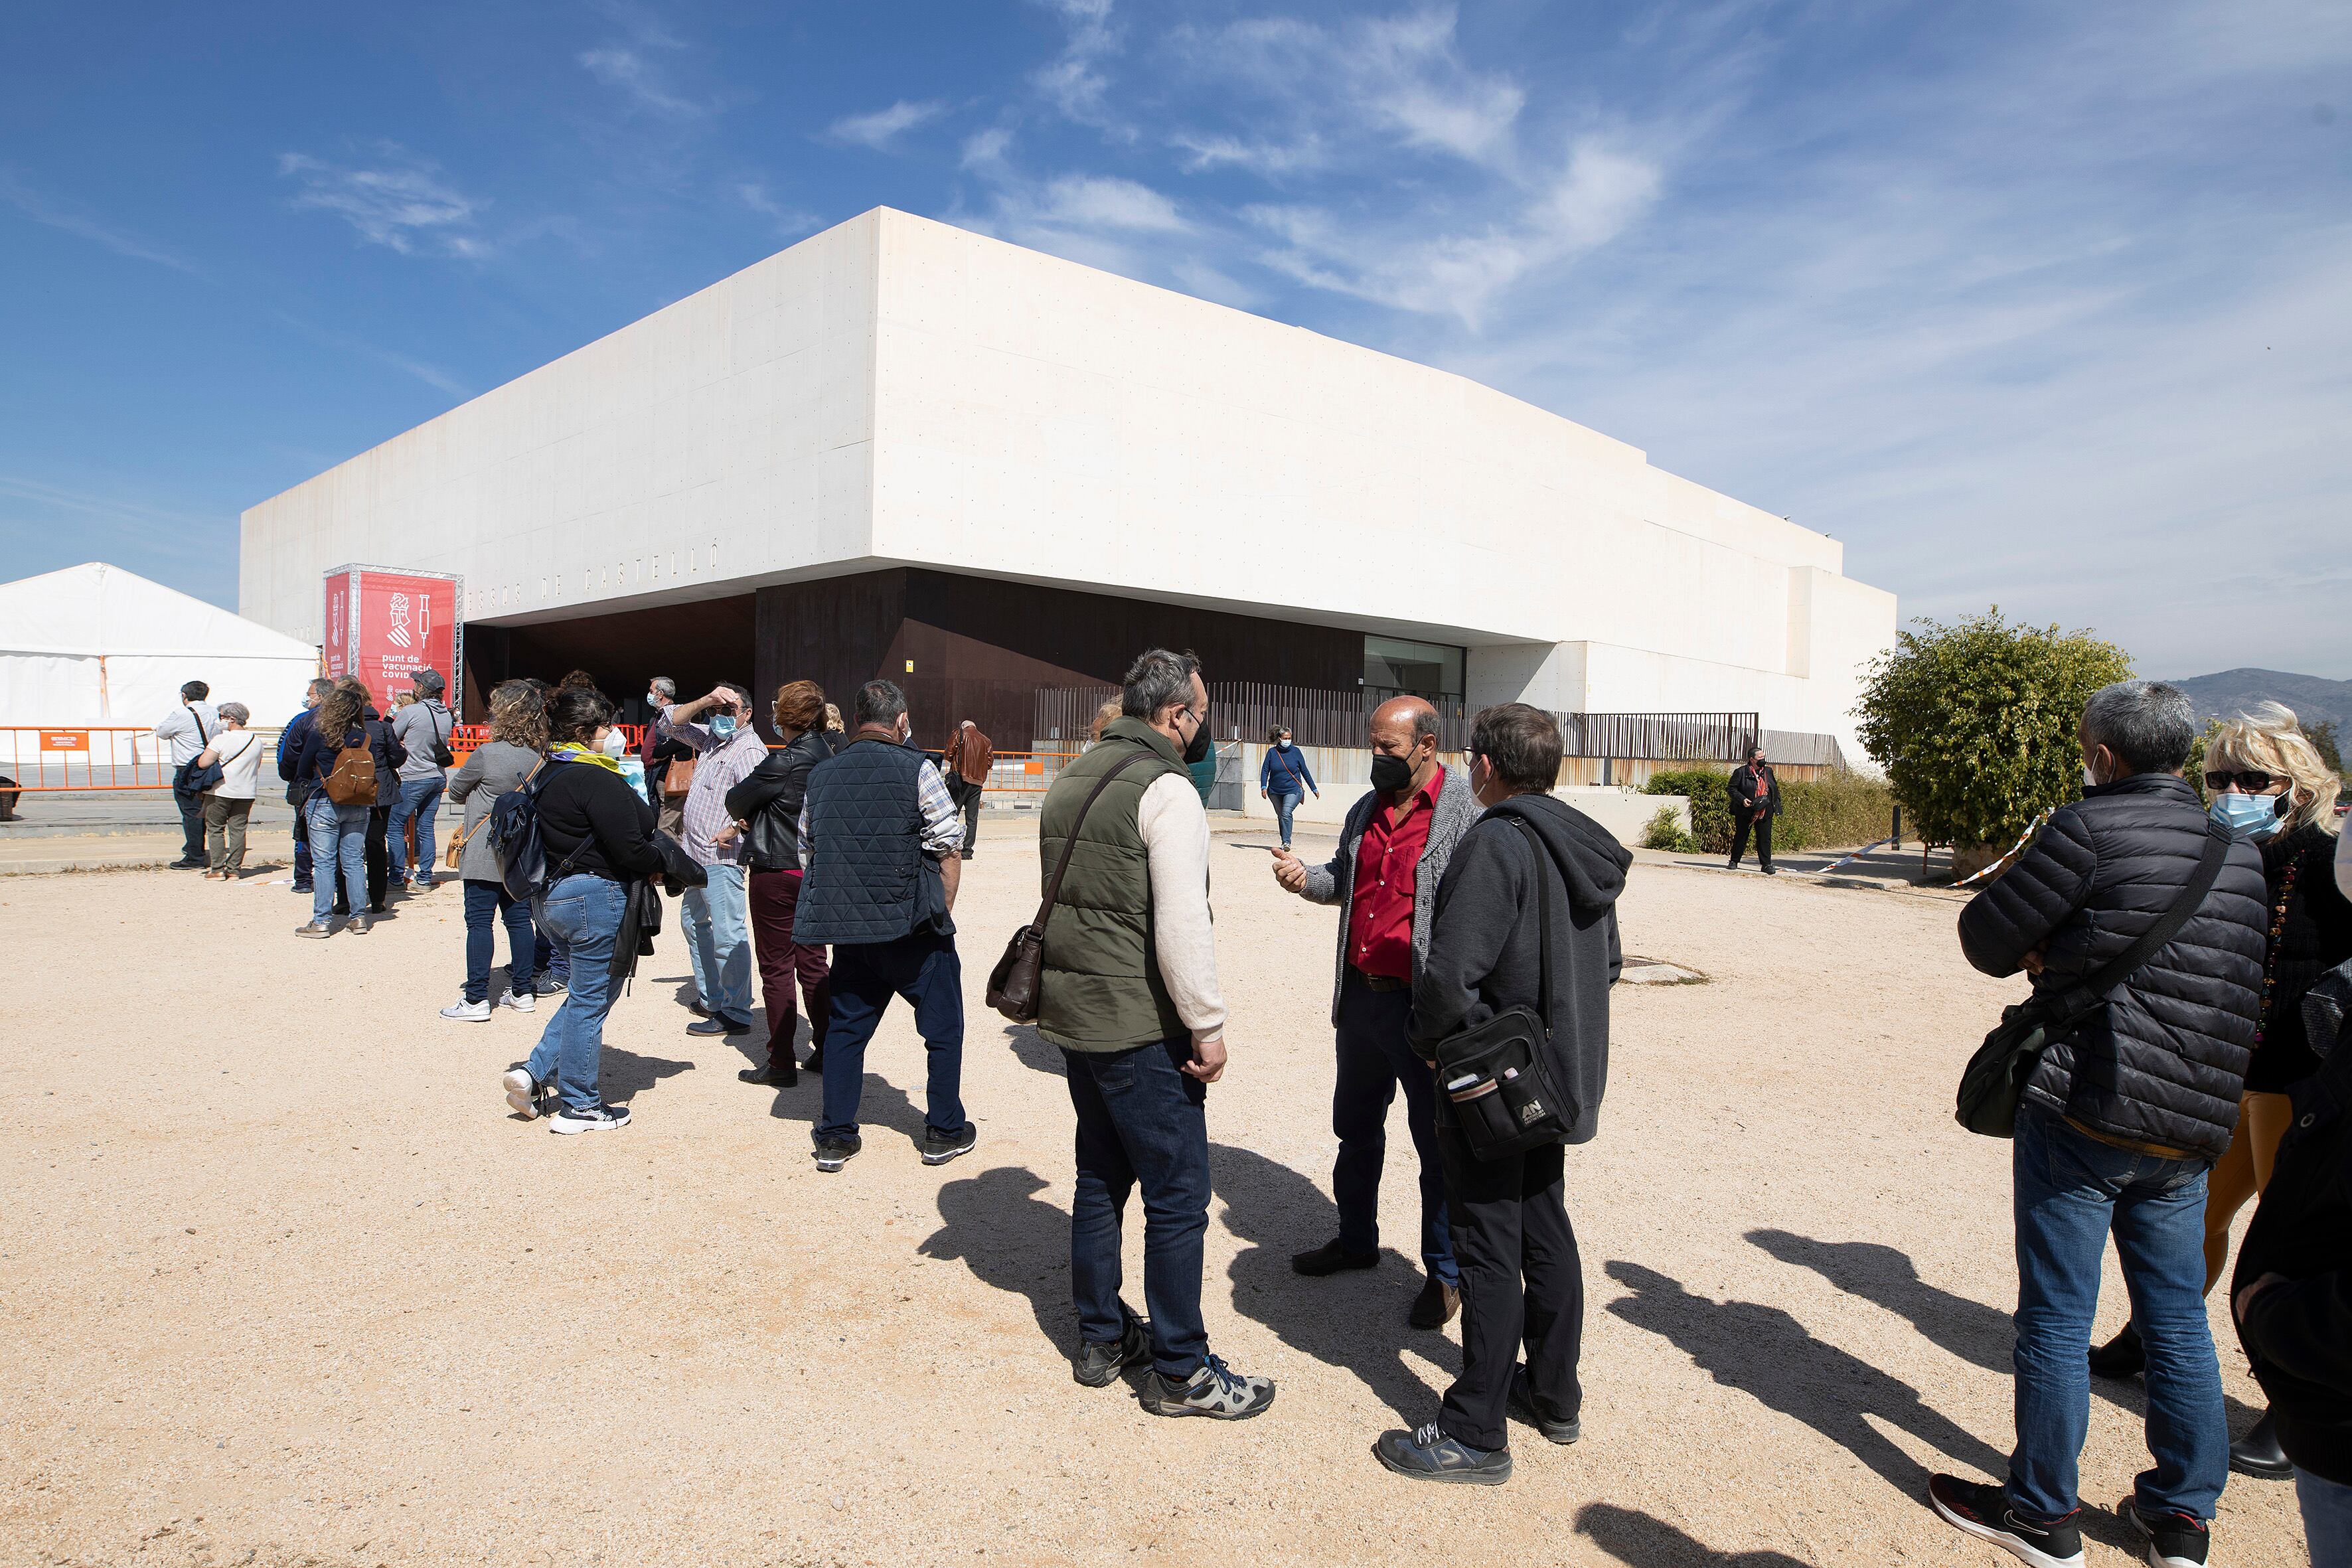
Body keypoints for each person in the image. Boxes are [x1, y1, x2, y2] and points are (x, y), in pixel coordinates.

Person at [1931, 679, 2268, 1568]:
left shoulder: (2082, 830)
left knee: (2053, 1315)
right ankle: (2180, 1515)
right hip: (2191, 1117)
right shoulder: (2230, 847)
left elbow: (1982, 938)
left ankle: (2042, 1511)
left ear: (2103, 756)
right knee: (2174, 1320)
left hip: (2087, 1101)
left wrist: (2054, 943)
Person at [2088, 701, 2350, 1480]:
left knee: (2286, 1240)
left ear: (2294, 785)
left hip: (2298, 1079)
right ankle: (2150, 1330)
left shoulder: (2332, 858)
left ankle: (2284, 1395)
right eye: (2219, 776)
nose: (2233, 788)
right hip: (2230, 1068)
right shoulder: (2224, 849)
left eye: (2252, 777)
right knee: (2197, 1214)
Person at [1375, 702, 1628, 1483]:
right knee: (1544, 1227)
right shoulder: (1580, 841)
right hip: (1555, 1079)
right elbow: (1610, 962)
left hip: (1494, 1081)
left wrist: (1428, 1041)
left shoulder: (1496, 842)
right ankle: (1553, 1394)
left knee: (1488, 1243)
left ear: (1485, 764)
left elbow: (1452, 976)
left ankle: (1476, 1428)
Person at [1036, 648, 1275, 1419]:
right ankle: (1180, 1367)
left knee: (1100, 1178)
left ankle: (1103, 1336)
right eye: (1199, 715)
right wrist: (1207, 1024)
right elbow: (1181, 921)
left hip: (1076, 1015)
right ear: (1177, 715)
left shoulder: (1073, 775)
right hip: (1141, 1025)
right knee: (1177, 1195)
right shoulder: (1166, 787)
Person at [1269, 696, 1470, 1328]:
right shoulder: (1365, 809)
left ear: (1427, 745)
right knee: (1354, 1130)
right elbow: (1345, 879)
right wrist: (1308, 880)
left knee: (1437, 1147)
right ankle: (1356, 1240)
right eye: (1373, 746)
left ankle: (1445, 1274)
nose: (1376, 758)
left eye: (1389, 748)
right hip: (1360, 1000)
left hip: (1422, 1011)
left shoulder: (1463, 815)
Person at [791, 679, 973, 1174]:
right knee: (943, 1029)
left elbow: (809, 851)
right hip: (912, 924)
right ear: (901, 720)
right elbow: (948, 843)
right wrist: (943, 912)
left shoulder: (822, 775)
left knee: (847, 1030)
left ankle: (835, 1135)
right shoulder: (918, 767)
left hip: (851, 930)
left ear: (856, 720)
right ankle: (943, 1129)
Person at [499, 685, 666, 1133]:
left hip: (550, 898)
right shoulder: (592, 776)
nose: (612, 734)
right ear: (583, 731)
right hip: (593, 897)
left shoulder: (548, 771)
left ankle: (534, 1072)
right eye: (605, 727)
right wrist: (663, 863)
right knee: (592, 1000)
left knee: (584, 995)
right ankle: (580, 1105)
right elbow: (632, 842)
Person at [2231, 984, 2352, 1566]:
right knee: (2210, 1216)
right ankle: (2143, 1337)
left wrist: (2282, 1319)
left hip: (2289, 1075)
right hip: (2247, 1062)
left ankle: (2276, 1411)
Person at [725, 680, 834, 1085]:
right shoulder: (828, 755)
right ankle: (826, 1047)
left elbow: (736, 799)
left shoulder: (783, 761)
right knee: (814, 962)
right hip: (815, 868)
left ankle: (782, 1060)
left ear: (784, 716)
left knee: (776, 967)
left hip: (777, 869)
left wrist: (756, 812)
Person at [658, 681, 769, 1040]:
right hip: (695, 854)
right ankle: (713, 997)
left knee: (727, 933)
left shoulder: (750, 750)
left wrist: (735, 829)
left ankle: (736, 1011)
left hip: (723, 857)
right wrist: (707, 698)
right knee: (694, 925)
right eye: (716, 712)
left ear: (747, 714)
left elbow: (761, 801)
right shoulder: (711, 739)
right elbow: (668, 724)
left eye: (729, 711)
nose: (721, 717)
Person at [440, 681, 548, 1022]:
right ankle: (522, 991)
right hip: (521, 852)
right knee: (519, 922)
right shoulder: (541, 757)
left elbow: (456, 791)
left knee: (478, 923)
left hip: (485, 849)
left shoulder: (488, 753)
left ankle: (476, 999)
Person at [289, 676, 406, 937]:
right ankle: (358, 918)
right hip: (359, 803)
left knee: (325, 863)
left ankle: (321, 921)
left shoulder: (321, 734)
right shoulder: (364, 736)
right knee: (353, 861)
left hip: (324, 801)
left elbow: (302, 767)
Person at [388, 668, 455, 894]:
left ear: (420, 689)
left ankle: (396, 877)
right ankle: (425, 878)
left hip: (414, 776)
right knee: (426, 827)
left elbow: (391, 738)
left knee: (395, 825)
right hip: (437, 776)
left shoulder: (411, 712)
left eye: (416, 683)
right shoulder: (447, 715)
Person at [193, 703, 263, 879]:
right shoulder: (256, 740)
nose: (219, 720)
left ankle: (217, 869)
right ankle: (234, 870)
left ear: (231, 719)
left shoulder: (221, 739)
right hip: (246, 791)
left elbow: (203, 763)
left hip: (220, 791)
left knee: (216, 828)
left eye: (221, 716)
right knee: (238, 830)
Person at [155, 680, 220, 869]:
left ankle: (195, 856)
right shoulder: (215, 712)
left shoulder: (181, 713)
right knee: (207, 810)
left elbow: (162, 731)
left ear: (185, 696)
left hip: (187, 768)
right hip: (210, 765)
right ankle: (197, 847)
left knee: (191, 811)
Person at [277, 678, 333, 895]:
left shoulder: (302, 720)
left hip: (308, 786)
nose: (307, 698)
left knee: (304, 833)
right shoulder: (347, 718)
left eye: (310, 694)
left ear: (320, 696)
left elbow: (286, 754)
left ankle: (303, 879)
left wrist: (294, 777)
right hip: (343, 785)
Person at [641, 676, 694, 824]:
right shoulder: (658, 715)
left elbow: (667, 746)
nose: (649, 694)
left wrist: (657, 756)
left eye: (652, 691)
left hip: (668, 776)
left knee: (667, 823)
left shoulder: (672, 716)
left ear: (660, 694)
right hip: (655, 772)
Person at [1259, 726, 1318, 851]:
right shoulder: (1272, 753)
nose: (1288, 741)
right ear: (1280, 739)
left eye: (1290, 738)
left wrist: (1314, 788)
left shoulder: (1296, 752)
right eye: (1285, 738)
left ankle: (1287, 842)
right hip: (1275, 791)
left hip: (1293, 789)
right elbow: (1265, 770)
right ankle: (1283, 840)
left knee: (1286, 813)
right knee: (1281, 816)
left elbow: (1305, 771)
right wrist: (1263, 786)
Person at [943, 719, 992, 860]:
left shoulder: (960, 734)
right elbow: (989, 763)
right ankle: (967, 852)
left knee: (952, 814)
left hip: (960, 780)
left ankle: (947, 846)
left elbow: (949, 755)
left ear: (964, 726)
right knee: (972, 819)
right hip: (977, 783)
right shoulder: (986, 740)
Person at [1727, 744, 1780, 874]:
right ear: (1752, 759)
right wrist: (1742, 799)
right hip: (1745, 810)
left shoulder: (1768, 771)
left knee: (1765, 837)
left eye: (1764, 756)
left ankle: (1766, 864)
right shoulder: (1741, 772)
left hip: (1764, 811)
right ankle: (1734, 861)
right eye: (1760, 757)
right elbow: (1731, 788)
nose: (1763, 759)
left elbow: (1774, 788)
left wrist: (1775, 805)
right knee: (1741, 835)